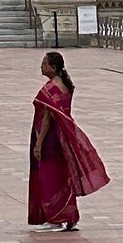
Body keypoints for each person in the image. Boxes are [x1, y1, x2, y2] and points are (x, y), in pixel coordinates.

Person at [28, 50, 109, 231]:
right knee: (63, 176)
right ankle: (69, 214)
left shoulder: (51, 89)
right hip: (64, 138)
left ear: (53, 67)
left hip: (52, 139)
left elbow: (48, 119)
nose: (41, 66)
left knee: (48, 176)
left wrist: (38, 144)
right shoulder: (65, 85)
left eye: (44, 63)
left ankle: (56, 215)